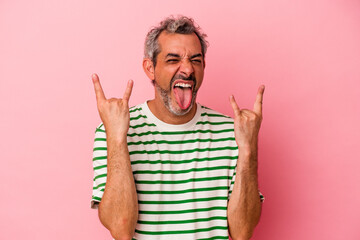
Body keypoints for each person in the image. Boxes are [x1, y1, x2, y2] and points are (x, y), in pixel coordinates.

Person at [91, 15, 265, 240]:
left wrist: (248, 150)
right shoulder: (112, 130)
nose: (188, 69)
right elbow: (120, 229)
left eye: (196, 60)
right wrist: (116, 139)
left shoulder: (233, 132)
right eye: (173, 59)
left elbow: (242, 232)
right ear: (150, 68)